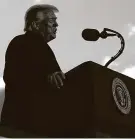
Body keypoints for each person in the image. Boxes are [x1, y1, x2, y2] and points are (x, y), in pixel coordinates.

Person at [0, 4, 66, 136]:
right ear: (36, 25)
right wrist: (46, 78)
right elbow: (12, 76)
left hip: (38, 124)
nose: (56, 25)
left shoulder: (40, 45)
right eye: (52, 21)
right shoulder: (21, 42)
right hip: (22, 124)